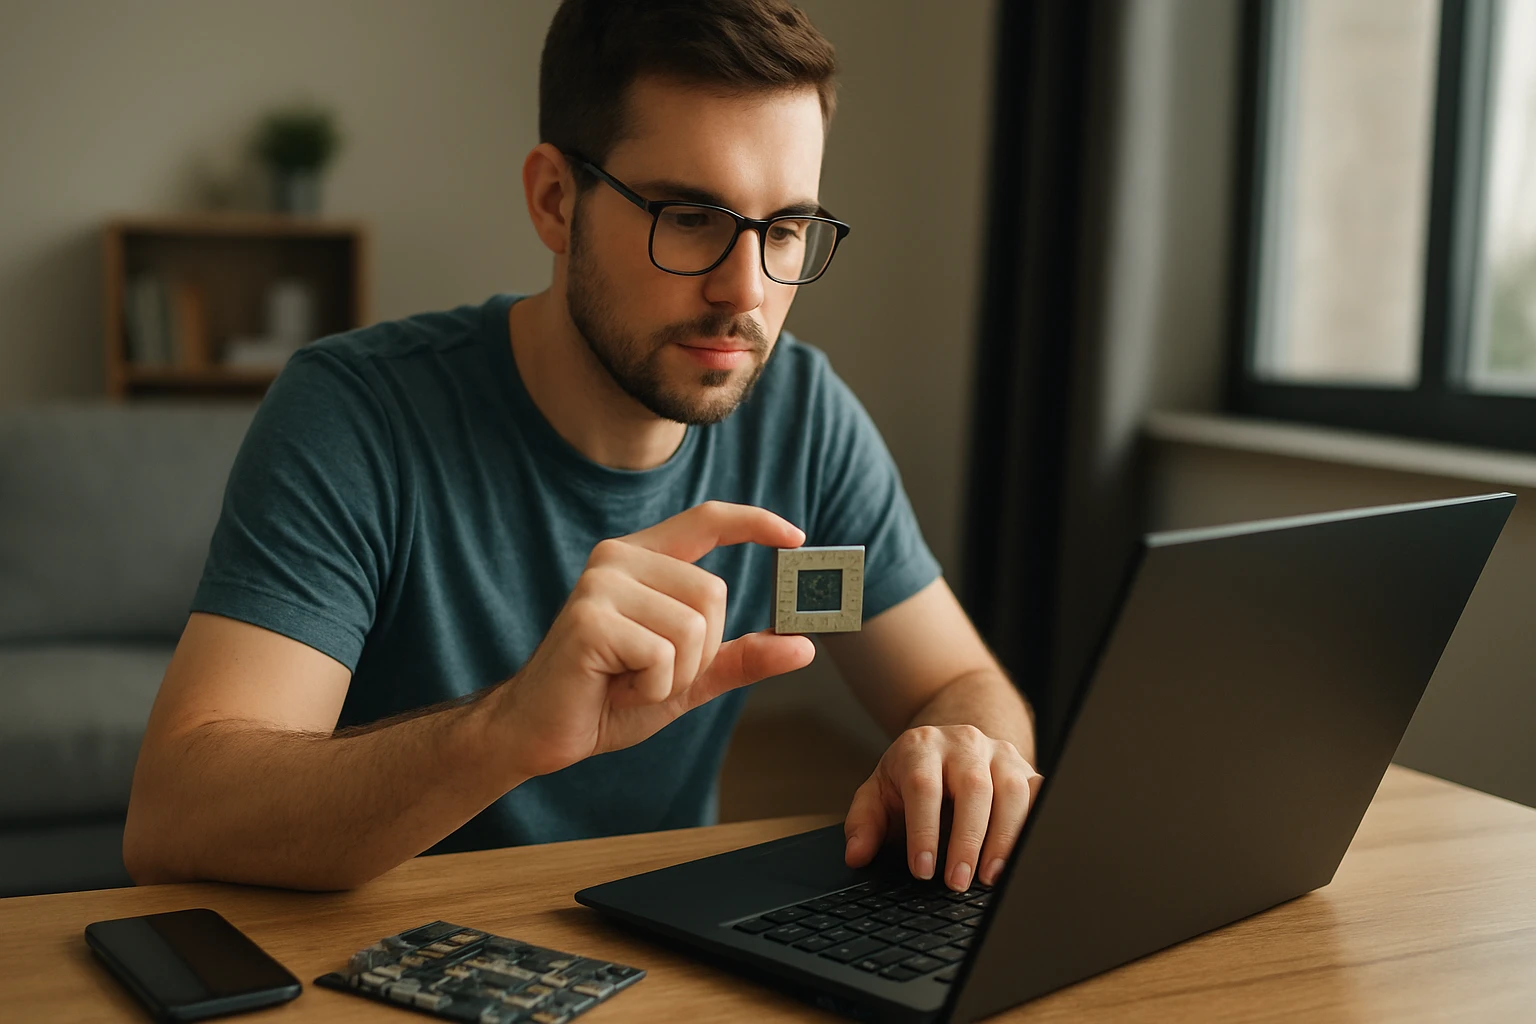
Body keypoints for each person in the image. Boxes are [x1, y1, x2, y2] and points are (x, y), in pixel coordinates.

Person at [124, 0, 1040, 894]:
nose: (745, 292)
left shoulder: (801, 417)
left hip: (663, 961)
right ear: (556, 201)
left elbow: (956, 681)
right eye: (689, 217)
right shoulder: (358, 416)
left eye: (787, 230)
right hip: (383, 963)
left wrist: (963, 748)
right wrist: (508, 730)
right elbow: (176, 819)